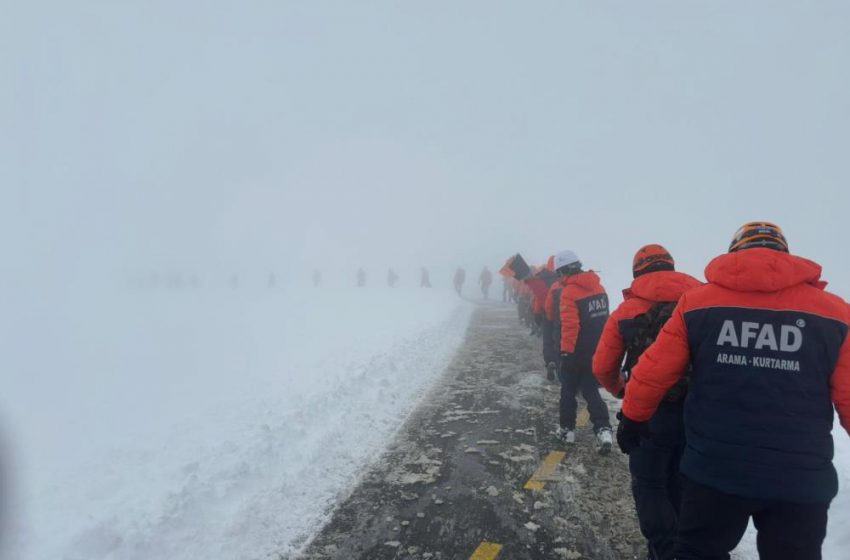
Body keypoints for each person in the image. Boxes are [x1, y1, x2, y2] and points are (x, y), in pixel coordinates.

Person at [619, 222, 850, 560]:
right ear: (784, 253)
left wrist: (634, 418)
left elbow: (653, 372)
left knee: (698, 552)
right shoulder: (836, 314)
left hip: (714, 473)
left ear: (734, 254)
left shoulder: (697, 305)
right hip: (800, 480)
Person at [592, 244, 701, 560]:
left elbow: (602, 366)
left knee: (650, 485)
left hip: (648, 412)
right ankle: (685, 546)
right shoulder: (699, 303)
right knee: (682, 484)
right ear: (672, 267)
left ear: (637, 272)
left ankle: (667, 551)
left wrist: (623, 391)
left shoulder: (626, 312)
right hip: (696, 413)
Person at [554, 250, 613, 452]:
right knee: (590, 389)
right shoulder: (599, 287)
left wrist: (566, 354)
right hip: (597, 349)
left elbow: (570, 326)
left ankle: (566, 430)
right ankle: (603, 428)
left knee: (568, 389)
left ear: (564, 270)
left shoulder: (569, 293)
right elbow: (605, 320)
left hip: (577, 351)